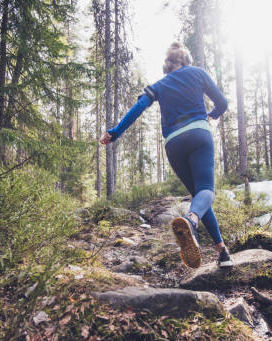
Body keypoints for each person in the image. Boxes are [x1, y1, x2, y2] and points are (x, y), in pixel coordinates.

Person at [100, 42, 233, 269]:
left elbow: (138, 107)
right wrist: (212, 114)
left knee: (197, 196)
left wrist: (115, 132)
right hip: (199, 135)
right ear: (185, 61)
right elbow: (222, 103)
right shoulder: (198, 73)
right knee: (206, 191)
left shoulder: (160, 85)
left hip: (173, 143)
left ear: (168, 66)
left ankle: (222, 251)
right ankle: (191, 221)